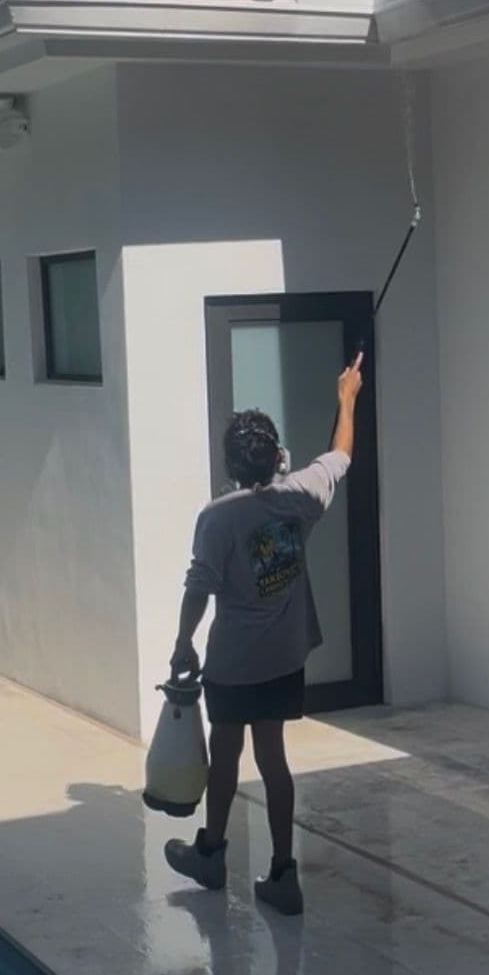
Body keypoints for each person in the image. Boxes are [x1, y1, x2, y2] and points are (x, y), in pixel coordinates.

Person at [164, 353, 364, 916]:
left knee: (225, 752)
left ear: (230, 464)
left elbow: (199, 587)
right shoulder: (301, 496)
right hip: (284, 657)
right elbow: (341, 454)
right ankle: (282, 873)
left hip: (232, 662)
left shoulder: (217, 517)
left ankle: (211, 852)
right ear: (278, 457)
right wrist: (347, 396)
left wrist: (184, 643)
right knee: (272, 759)